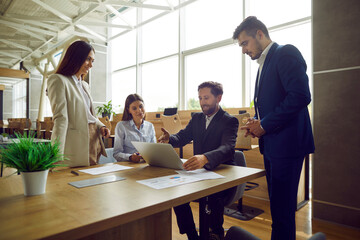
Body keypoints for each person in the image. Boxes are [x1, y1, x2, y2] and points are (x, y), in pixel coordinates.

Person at [232, 16, 315, 240]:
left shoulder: (286, 53)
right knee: (278, 210)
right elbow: (272, 104)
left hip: (287, 147)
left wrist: (265, 124)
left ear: (259, 34)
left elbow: (300, 96)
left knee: (282, 212)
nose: (243, 50)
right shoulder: (264, 65)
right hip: (272, 146)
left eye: (244, 43)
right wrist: (256, 124)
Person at [158, 81, 239, 240]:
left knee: (213, 198)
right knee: (176, 194)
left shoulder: (229, 121)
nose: (202, 102)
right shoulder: (196, 118)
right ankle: (192, 234)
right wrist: (170, 139)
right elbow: (182, 137)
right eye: (200, 98)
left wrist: (206, 157)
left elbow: (228, 148)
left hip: (221, 174)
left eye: (206, 98)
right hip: (199, 174)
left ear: (219, 98)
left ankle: (215, 233)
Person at [47, 40, 110, 167]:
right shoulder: (58, 80)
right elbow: (61, 119)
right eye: (88, 59)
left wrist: (101, 126)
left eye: (92, 61)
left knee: (92, 181)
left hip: (94, 139)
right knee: (73, 181)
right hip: (77, 143)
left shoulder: (85, 85)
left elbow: (90, 115)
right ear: (76, 57)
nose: (91, 65)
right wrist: (55, 154)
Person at [113, 94, 156, 162]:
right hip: (127, 166)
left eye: (141, 106)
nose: (139, 110)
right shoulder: (121, 126)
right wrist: (130, 157)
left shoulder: (150, 126)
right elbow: (116, 153)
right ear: (129, 110)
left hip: (145, 165)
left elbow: (154, 150)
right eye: (134, 108)